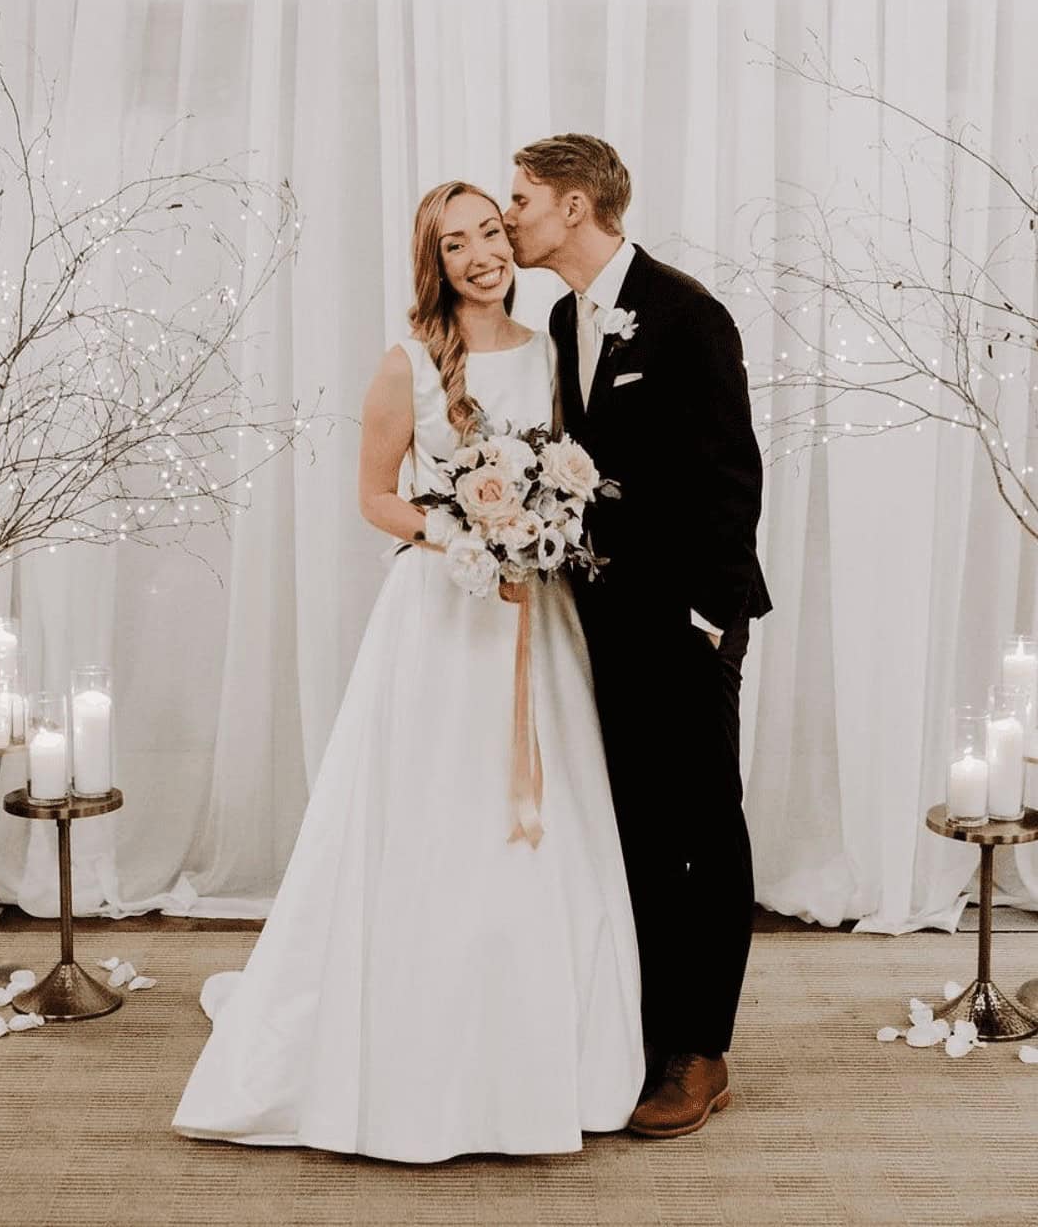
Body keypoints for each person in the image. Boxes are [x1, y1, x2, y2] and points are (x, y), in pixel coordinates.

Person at [172, 180, 644, 1162]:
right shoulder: (410, 364)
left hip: (537, 623)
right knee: (434, 817)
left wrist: (545, 526)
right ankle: (416, 1053)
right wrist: (468, 530)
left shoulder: (556, 350)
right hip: (442, 614)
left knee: (543, 818)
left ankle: (548, 1058)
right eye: (454, 241)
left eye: (488, 231)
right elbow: (374, 497)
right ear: (432, 259)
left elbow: (574, 469)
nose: (479, 253)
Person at [504, 134, 771, 1138]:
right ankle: (651, 1036)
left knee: (704, 819)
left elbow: (731, 473)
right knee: (637, 828)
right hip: (598, 620)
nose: (511, 212)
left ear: (576, 206)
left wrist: (708, 617)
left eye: (522, 197)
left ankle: (703, 1051)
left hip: (687, 619)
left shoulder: (688, 313)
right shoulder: (558, 317)